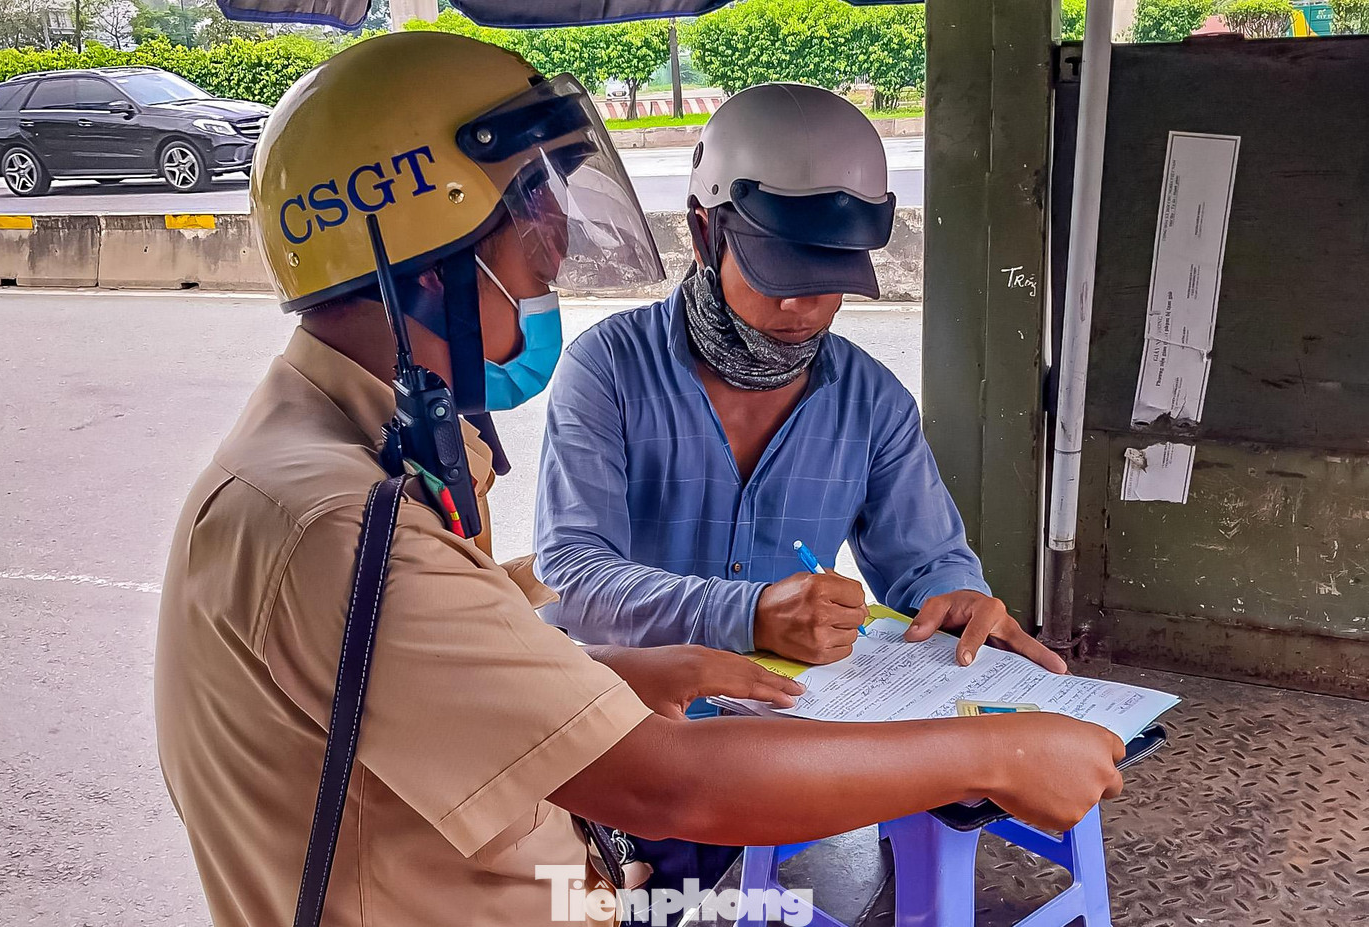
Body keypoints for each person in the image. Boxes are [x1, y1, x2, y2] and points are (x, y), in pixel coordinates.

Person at [155, 33, 1124, 927]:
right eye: (527, 211)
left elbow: (406, 685)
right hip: (568, 847)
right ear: (419, 260)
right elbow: (668, 778)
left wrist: (617, 677)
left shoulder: (356, 462)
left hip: (583, 823)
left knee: (819, 885)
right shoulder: (343, 520)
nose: (554, 251)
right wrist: (999, 749)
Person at [534, 82, 1065, 674]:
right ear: (702, 232)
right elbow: (573, 578)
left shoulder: (873, 403)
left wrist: (956, 596)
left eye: (830, 274)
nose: (802, 306)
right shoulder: (607, 368)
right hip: (632, 710)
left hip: (791, 716)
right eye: (776, 271)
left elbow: (927, 564)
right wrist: (748, 614)